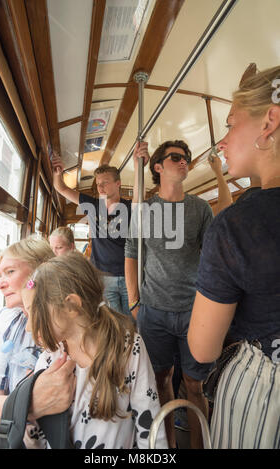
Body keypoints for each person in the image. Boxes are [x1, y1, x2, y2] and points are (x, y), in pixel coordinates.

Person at [188, 66, 280, 449]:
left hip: (262, 401)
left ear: (269, 122)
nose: (223, 141)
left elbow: (202, 348)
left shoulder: (236, 225)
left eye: (230, 124)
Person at [21, 251, 168, 449]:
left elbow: (150, 426)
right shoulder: (50, 358)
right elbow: (36, 435)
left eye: (34, 313)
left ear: (71, 305)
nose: (28, 327)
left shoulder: (128, 348)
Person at [125, 139, 214, 448]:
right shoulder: (145, 210)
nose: (184, 161)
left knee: (194, 386)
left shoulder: (200, 208)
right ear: (158, 167)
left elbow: (213, 255)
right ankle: (169, 448)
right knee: (161, 382)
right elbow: (131, 254)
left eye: (186, 158)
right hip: (153, 310)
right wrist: (134, 300)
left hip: (194, 310)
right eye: (176, 157)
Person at [0, 236, 76, 446]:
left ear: (41, 270)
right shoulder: (2, 325)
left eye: (10, 272)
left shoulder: (73, 320)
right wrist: (32, 400)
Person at [51, 146, 148, 317]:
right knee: (112, 322)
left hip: (129, 277)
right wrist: (58, 173)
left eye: (105, 183)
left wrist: (138, 166)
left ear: (118, 183)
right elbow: (62, 189)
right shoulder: (93, 206)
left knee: (133, 322)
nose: (100, 188)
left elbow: (139, 195)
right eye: (98, 184)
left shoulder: (128, 207)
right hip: (103, 277)